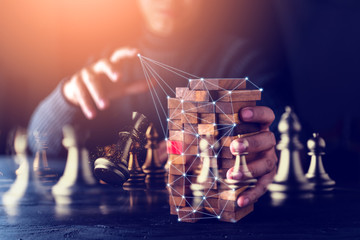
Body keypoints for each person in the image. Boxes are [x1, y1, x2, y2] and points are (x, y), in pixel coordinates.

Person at [28, 0, 278, 208]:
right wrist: (67, 98)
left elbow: (284, 128)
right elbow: (37, 143)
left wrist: (258, 142)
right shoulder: (107, 67)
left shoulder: (242, 63)